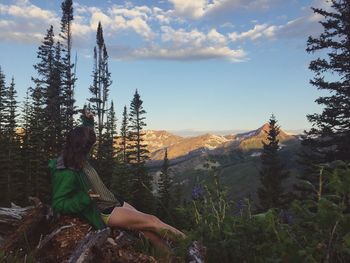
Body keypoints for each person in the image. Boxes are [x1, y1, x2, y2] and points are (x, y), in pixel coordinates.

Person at [49, 108, 185, 251]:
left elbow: (85, 135)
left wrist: (88, 121)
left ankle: (170, 256)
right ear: (82, 148)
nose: (92, 149)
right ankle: (189, 244)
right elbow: (59, 204)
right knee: (152, 221)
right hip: (104, 210)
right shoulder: (66, 171)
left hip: (112, 199)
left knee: (146, 229)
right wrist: (86, 197)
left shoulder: (77, 155)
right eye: (90, 146)